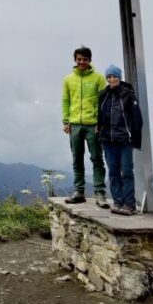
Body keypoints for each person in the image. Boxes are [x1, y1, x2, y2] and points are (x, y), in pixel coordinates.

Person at [61, 46, 108, 208]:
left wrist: (100, 123)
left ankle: (100, 193)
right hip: (74, 125)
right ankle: (79, 191)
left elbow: (104, 103)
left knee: (96, 158)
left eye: (85, 59)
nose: (82, 62)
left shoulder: (98, 79)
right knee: (77, 159)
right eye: (79, 59)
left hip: (93, 125)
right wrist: (65, 121)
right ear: (75, 60)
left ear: (90, 60)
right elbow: (66, 101)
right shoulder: (68, 79)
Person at [96, 65, 143, 215]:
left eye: (114, 76)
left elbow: (137, 118)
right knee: (113, 172)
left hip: (125, 140)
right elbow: (99, 116)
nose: (111, 79)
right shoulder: (103, 95)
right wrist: (100, 133)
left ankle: (129, 205)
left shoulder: (128, 94)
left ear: (119, 77)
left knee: (127, 172)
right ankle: (117, 203)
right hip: (108, 140)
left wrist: (136, 139)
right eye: (109, 77)